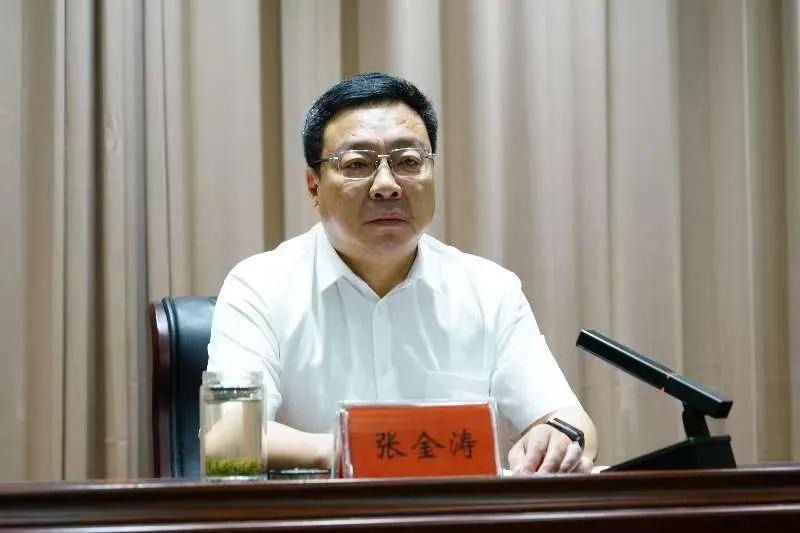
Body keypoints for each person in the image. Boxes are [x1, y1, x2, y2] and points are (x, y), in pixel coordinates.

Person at [206, 72, 597, 475]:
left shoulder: (489, 291)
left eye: (408, 161)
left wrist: (555, 440)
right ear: (313, 187)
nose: (387, 185)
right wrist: (365, 450)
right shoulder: (260, 287)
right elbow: (227, 439)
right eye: (357, 164)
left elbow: (570, 420)